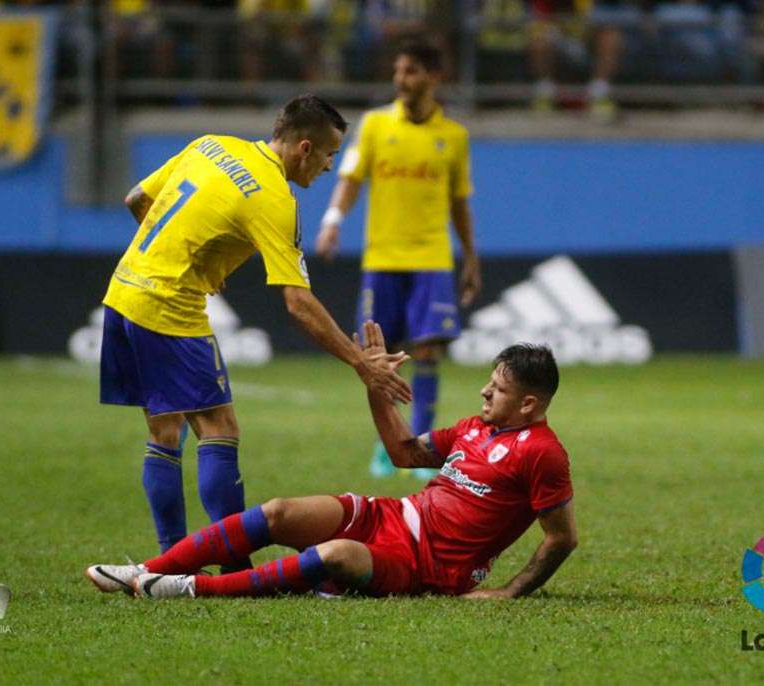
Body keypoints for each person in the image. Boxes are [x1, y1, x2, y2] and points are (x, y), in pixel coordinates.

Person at [99, 95, 412, 558]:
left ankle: (171, 557)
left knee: (164, 432)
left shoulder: (211, 145)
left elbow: (136, 200)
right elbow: (298, 303)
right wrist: (360, 364)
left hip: (122, 295)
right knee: (219, 428)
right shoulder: (272, 197)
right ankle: (231, 559)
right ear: (304, 148)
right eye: (328, 155)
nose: (329, 167)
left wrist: (193, 257)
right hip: (167, 308)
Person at [86, 324, 577, 600]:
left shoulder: (542, 453)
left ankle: (184, 588)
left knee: (336, 554)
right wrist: (375, 386)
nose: (485, 390)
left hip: (429, 565)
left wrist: (510, 592)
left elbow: (562, 536)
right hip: (393, 517)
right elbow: (404, 452)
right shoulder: (474, 427)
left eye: (499, 388)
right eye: (490, 381)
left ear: (530, 404)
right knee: (279, 511)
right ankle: (143, 570)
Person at [315, 40, 482, 480]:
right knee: (380, 354)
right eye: (398, 71)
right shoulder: (373, 125)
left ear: (433, 77)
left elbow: (459, 203)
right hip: (382, 256)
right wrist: (333, 220)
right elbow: (350, 178)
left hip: (431, 257)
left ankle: (422, 445)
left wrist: (470, 256)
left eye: (409, 71)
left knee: (426, 350)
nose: (400, 80)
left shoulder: (454, 137)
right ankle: (387, 444)